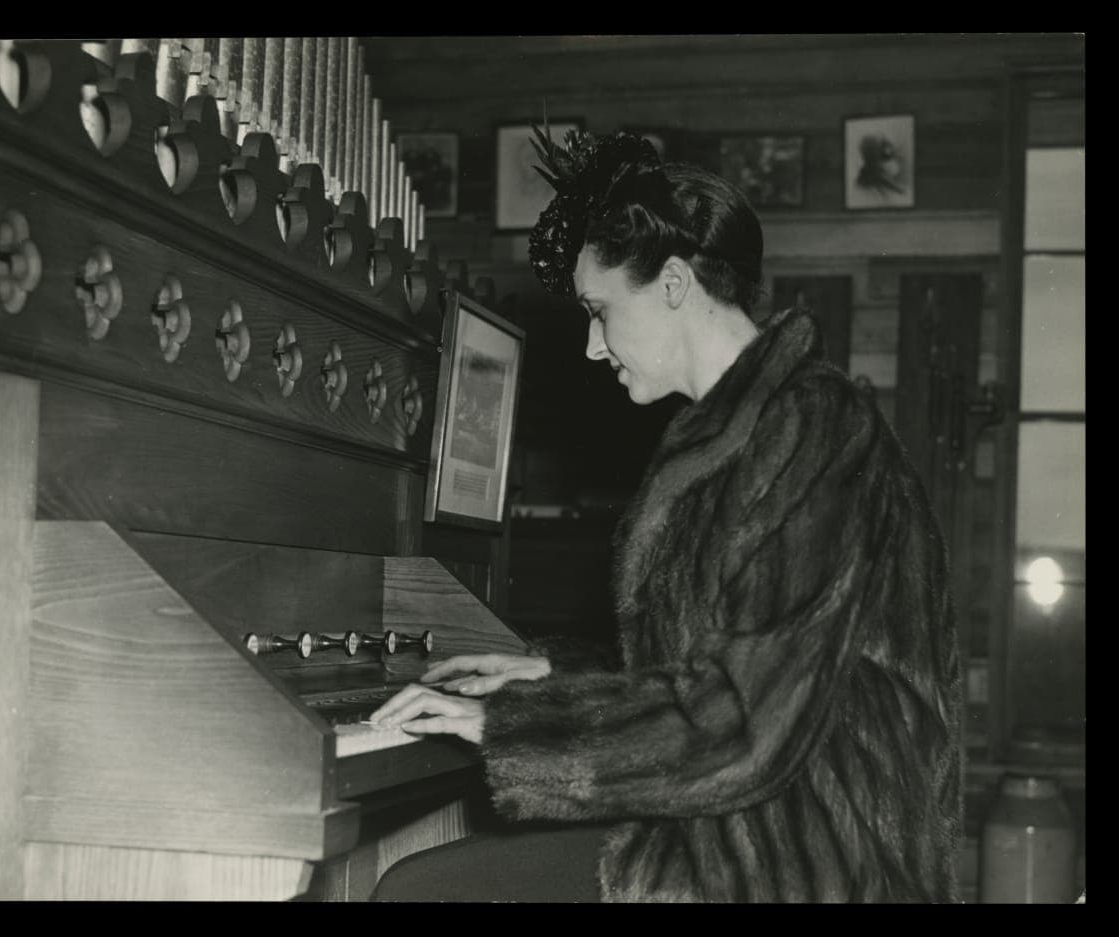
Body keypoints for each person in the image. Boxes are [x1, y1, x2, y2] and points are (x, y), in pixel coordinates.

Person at [367, 128, 963, 902]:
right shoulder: (746, 430)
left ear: (674, 282)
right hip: (743, 830)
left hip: (809, 862)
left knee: (422, 894)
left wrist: (510, 725)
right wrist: (551, 675)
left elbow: (746, 720)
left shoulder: (815, 428)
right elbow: (730, 661)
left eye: (599, 309)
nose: (590, 345)